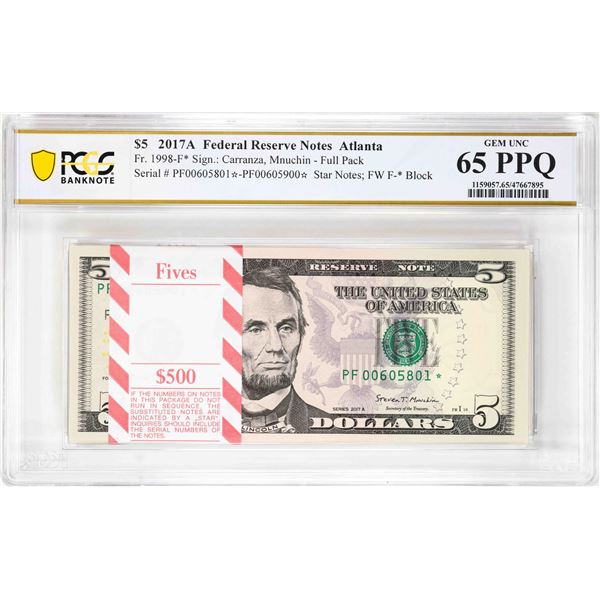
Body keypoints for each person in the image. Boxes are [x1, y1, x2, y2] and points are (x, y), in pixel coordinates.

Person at [241, 266, 327, 433]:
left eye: (286, 328)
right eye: (256, 330)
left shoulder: (332, 431)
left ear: (301, 335)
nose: (276, 346)